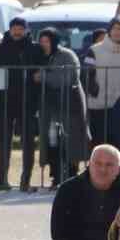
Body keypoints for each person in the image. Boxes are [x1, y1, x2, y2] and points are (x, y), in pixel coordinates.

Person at [34, 28, 89, 187]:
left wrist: (43, 76)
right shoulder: (41, 56)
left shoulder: (67, 55)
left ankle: (71, 176)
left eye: (47, 41)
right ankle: (56, 176)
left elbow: (68, 77)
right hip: (50, 107)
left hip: (69, 105)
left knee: (70, 141)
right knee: (52, 142)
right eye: (41, 41)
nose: (44, 45)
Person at [0, 16, 39, 190]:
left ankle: (25, 179)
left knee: (28, 141)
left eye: (21, 28)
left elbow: (39, 72)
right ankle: (1, 177)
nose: (17, 32)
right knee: (4, 139)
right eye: (14, 28)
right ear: (9, 30)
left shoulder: (35, 50)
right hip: (4, 101)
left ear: (26, 30)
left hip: (28, 101)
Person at [87, 17, 120, 147]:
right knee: (99, 143)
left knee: (118, 143)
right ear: (109, 30)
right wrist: (94, 91)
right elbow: (87, 74)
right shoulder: (94, 50)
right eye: (114, 28)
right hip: (98, 105)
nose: (117, 32)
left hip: (119, 105)